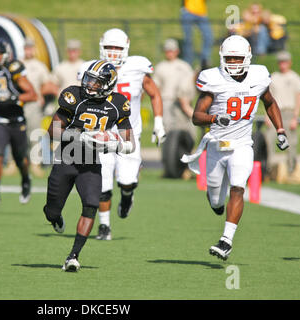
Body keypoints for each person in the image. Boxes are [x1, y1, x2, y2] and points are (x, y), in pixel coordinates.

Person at [181, 35, 289, 261]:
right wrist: (214, 119)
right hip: (216, 147)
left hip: (242, 145)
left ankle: (226, 240)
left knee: (238, 188)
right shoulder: (214, 80)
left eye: (237, 58)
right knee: (216, 200)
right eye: (229, 58)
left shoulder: (259, 77)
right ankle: (217, 204)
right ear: (222, 57)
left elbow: (269, 102)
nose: (233, 63)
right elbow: (196, 117)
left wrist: (280, 130)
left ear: (247, 57)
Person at [43, 60, 135, 271]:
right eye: (89, 80)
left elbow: (130, 144)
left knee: (91, 205)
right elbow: (52, 131)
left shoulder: (118, 104)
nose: (90, 85)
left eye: (96, 82)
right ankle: (54, 217)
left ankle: (73, 256)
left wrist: (112, 144)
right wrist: (81, 137)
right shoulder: (73, 97)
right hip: (66, 158)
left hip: (91, 162)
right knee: (52, 209)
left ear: (108, 84)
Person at [78, 28, 165, 241]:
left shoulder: (137, 68)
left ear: (126, 48)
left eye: (117, 48)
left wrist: (159, 122)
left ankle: (127, 196)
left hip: (129, 135)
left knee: (126, 180)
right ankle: (104, 226)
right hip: (102, 134)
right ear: (101, 47)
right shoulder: (91, 69)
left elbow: (154, 94)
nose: (114, 53)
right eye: (109, 48)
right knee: (103, 183)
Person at [0, 37, 37, 207]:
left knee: (21, 159)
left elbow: (32, 94)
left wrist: (12, 98)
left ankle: (26, 180)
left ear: (5, 54)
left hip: (16, 120)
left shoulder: (13, 69)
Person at [19, 37, 58, 178]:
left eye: (30, 48)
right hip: (18, 102)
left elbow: (48, 84)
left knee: (34, 133)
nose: (28, 50)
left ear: (34, 49)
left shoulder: (39, 65)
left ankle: (35, 163)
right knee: (16, 133)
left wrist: (41, 95)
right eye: (26, 48)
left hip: (33, 104)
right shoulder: (18, 63)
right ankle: (14, 163)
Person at [264, 51, 300, 174]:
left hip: (289, 112)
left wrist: (295, 117)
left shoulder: (295, 77)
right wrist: (267, 116)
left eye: (285, 62)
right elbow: (268, 98)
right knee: (269, 140)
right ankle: (268, 169)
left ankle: (291, 169)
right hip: (275, 112)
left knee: (291, 142)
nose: (283, 65)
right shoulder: (274, 77)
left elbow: (299, 97)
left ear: (289, 63)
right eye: (281, 62)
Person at [153, 38, 196, 139]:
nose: (170, 53)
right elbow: (156, 87)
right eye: (167, 50)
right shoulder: (161, 67)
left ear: (177, 51)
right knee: (168, 129)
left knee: (186, 127)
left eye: (172, 50)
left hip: (182, 102)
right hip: (167, 101)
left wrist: (187, 100)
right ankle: (168, 151)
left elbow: (190, 84)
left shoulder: (184, 66)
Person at [180, 0, 213, 70]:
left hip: (201, 12)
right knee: (188, 40)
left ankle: (204, 61)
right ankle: (188, 63)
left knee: (208, 37)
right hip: (188, 11)